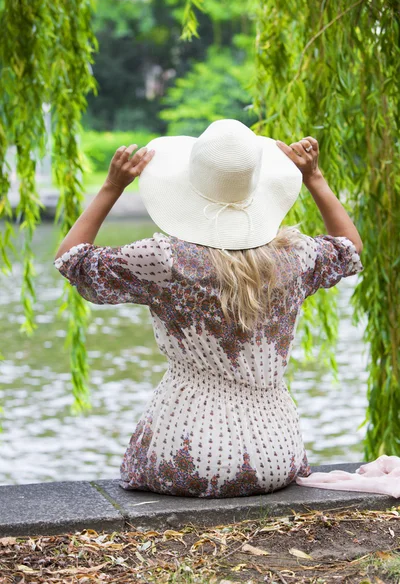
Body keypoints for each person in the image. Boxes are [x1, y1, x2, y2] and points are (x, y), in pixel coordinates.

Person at [54, 119, 364, 498]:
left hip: (186, 460)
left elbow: (72, 260)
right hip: (276, 457)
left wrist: (111, 188)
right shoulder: (295, 257)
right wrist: (314, 178)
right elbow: (349, 248)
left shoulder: (165, 261)